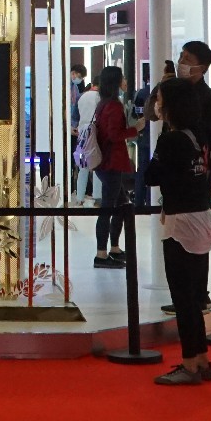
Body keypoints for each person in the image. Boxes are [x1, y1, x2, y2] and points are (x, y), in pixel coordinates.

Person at [142, 77, 211, 385]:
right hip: (201, 217)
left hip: (180, 223)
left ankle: (190, 364)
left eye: (159, 100)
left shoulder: (171, 140)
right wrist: (207, 167)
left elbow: (150, 177)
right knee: (193, 297)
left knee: (183, 299)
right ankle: (201, 359)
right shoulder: (200, 133)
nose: (157, 105)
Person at [90, 64, 137, 268]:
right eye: (122, 78)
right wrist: (135, 129)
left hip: (105, 162)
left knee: (120, 204)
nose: (125, 81)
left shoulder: (103, 104)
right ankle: (101, 254)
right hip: (111, 163)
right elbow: (114, 135)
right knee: (110, 208)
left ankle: (114, 248)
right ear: (116, 81)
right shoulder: (113, 106)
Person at [72, 74, 102, 206]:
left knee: (82, 166)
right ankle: (97, 196)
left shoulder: (82, 96)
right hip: (95, 133)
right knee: (97, 164)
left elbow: (75, 116)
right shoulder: (100, 97)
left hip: (82, 134)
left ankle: (79, 197)